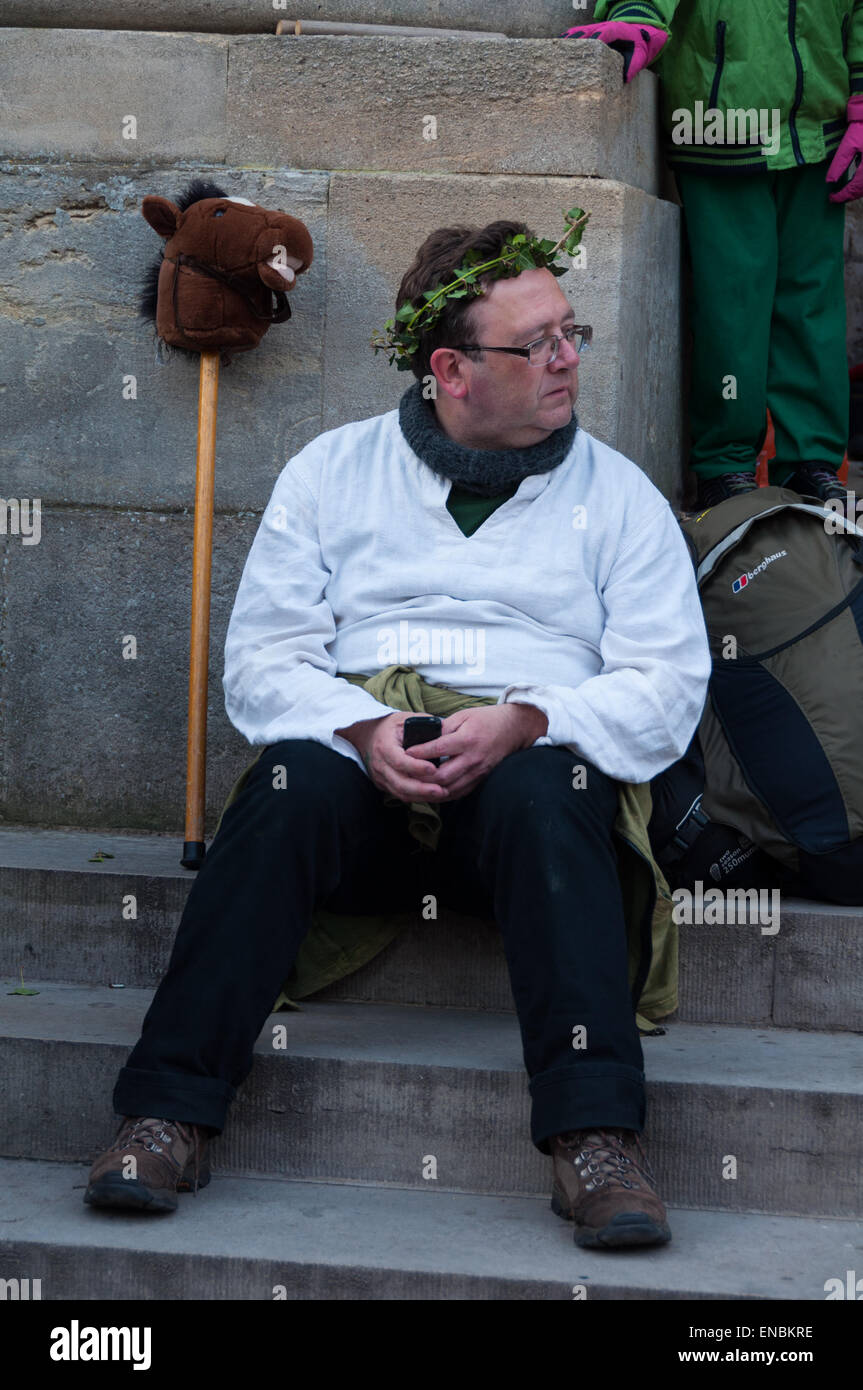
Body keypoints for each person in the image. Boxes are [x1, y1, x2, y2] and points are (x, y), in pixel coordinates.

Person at [84, 217, 710, 1250]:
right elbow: (261, 662)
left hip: (523, 805)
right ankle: (165, 1112)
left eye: (571, 331)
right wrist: (364, 724)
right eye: (537, 342)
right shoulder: (333, 472)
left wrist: (528, 719)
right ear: (450, 370)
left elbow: (668, 685)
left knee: (549, 792)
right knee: (287, 788)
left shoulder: (620, 498)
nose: (566, 359)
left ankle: (594, 1138)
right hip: (367, 790)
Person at [565, 0, 863, 508]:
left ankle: (812, 463)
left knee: (814, 310)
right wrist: (637, 13)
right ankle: (726, 467)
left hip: (820, 131)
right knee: (732, 310)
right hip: (719, 123)